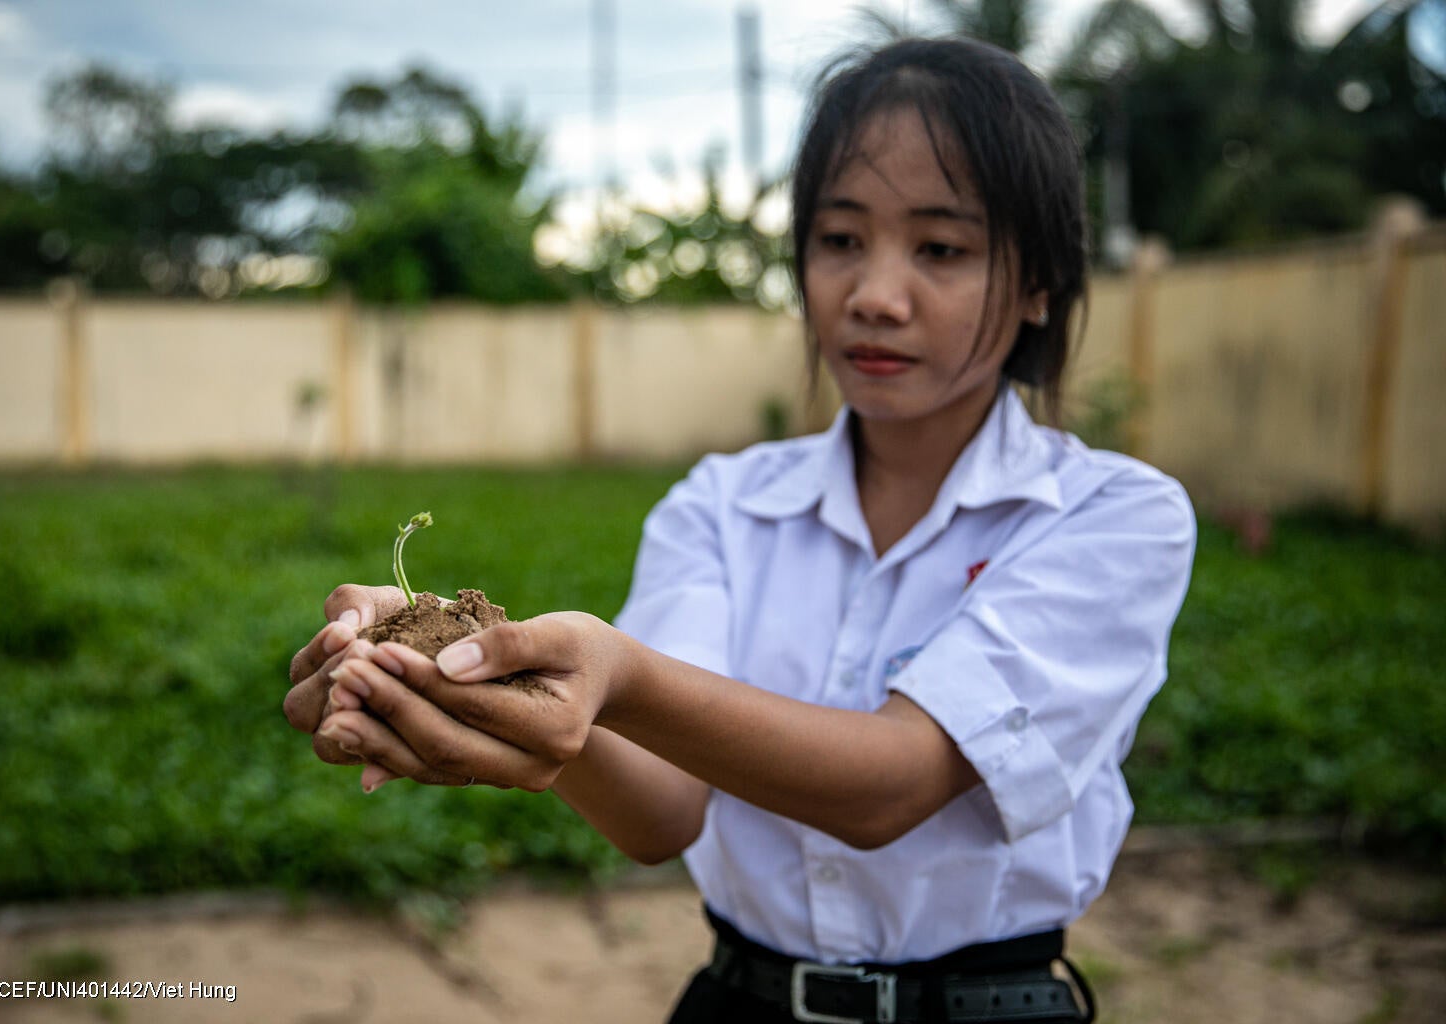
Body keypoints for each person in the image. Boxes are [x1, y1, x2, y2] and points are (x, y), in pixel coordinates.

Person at [284, 36, 1195, 1024]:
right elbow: (659, 809)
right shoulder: (721, 504)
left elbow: (891, 784)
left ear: (1039, 285)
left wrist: (617, 675)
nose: (874, 295)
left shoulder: (1113, 516)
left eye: (942, 248)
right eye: (839, 239)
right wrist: (484, 678)